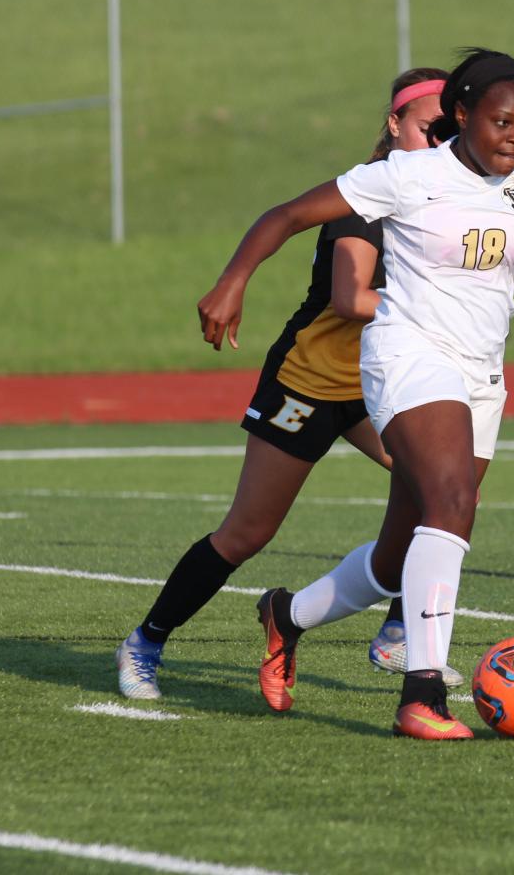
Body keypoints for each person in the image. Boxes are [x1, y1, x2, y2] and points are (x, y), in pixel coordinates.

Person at [197, 48, 514, 739]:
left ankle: (285, 616)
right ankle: (422, 695)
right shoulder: (407, 176)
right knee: (453, 504)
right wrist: (234, 281)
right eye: (502, 122)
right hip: (408, 357)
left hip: (480, 375)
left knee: (397, 554)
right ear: (463, 115)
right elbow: (286, 215)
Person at [115, 67, 472, 700]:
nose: (441, 141)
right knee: (247, 533)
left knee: (441, 492)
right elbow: (349, 296)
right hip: (310, 383)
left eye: (451, 131)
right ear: (394, 125)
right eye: (428, 128)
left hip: (377, 382)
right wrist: (233, 282)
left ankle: (398, 637)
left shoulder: (447, 196)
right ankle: (146, 641)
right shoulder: (370, 195)